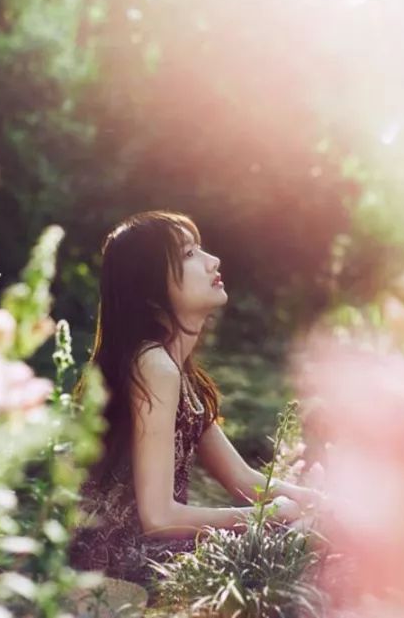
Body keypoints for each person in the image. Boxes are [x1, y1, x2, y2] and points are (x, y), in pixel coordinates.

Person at [69, 210, 322, 584]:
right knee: (301, 540)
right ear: (150, 291)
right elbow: (158, 518)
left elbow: (244, 479)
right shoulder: (153, 366)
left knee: (312, 525)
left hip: (143, 548)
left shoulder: (178, 372)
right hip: (117, 558)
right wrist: (265, 518)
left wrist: (318, 499)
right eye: (188, 255)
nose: (212, 261)